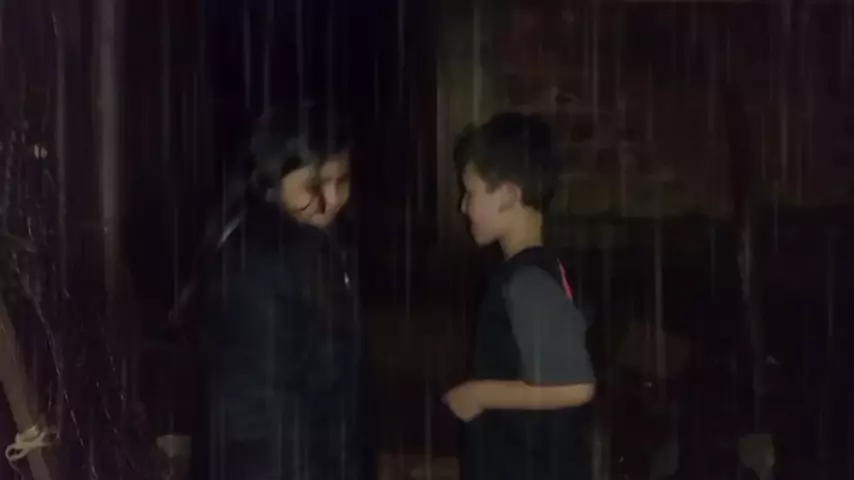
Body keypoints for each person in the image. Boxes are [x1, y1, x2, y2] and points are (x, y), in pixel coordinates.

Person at [192, 103, 374, 480]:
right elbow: (261, 410)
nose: (332, 200)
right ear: (271, 179)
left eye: (341, 181)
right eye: (314, 186)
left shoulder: (310, 237)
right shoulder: (256, 263)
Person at [443, 112, 597, 480]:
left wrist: (478, 394)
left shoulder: (528, 279)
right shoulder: (536, 270)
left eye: (471, 192)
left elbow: (575, 386)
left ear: (509, 195)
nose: (463, 206)